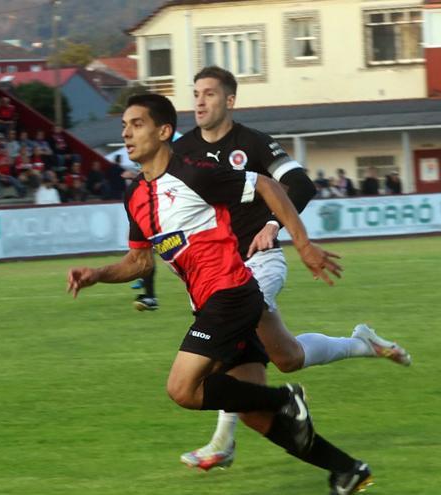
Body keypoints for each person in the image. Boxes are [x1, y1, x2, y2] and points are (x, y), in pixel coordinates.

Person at [69, 93, 373, 495]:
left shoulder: (194, 174)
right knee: (253, 414)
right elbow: (140, 264)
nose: (126, 133)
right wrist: (97, 274)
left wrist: (302, 244)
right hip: (212, 305)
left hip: (230, 294)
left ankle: (285, 397)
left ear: (163, 132)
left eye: (137, 124)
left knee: (182, 389)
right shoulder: (135, 197)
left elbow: (267, 185)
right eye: (124, 126)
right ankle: (347, 469)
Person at [172, 67, 410, 472]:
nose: (199, 101)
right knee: (287, 357)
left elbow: (300, 186)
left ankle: (223, 441)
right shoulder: (182, 151)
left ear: (229, 100)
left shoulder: (254, 143)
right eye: (195, 93)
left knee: (231, 333)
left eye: (209, 94)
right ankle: (363, 344)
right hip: (214, 270)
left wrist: (273, 224)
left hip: (258, 262)